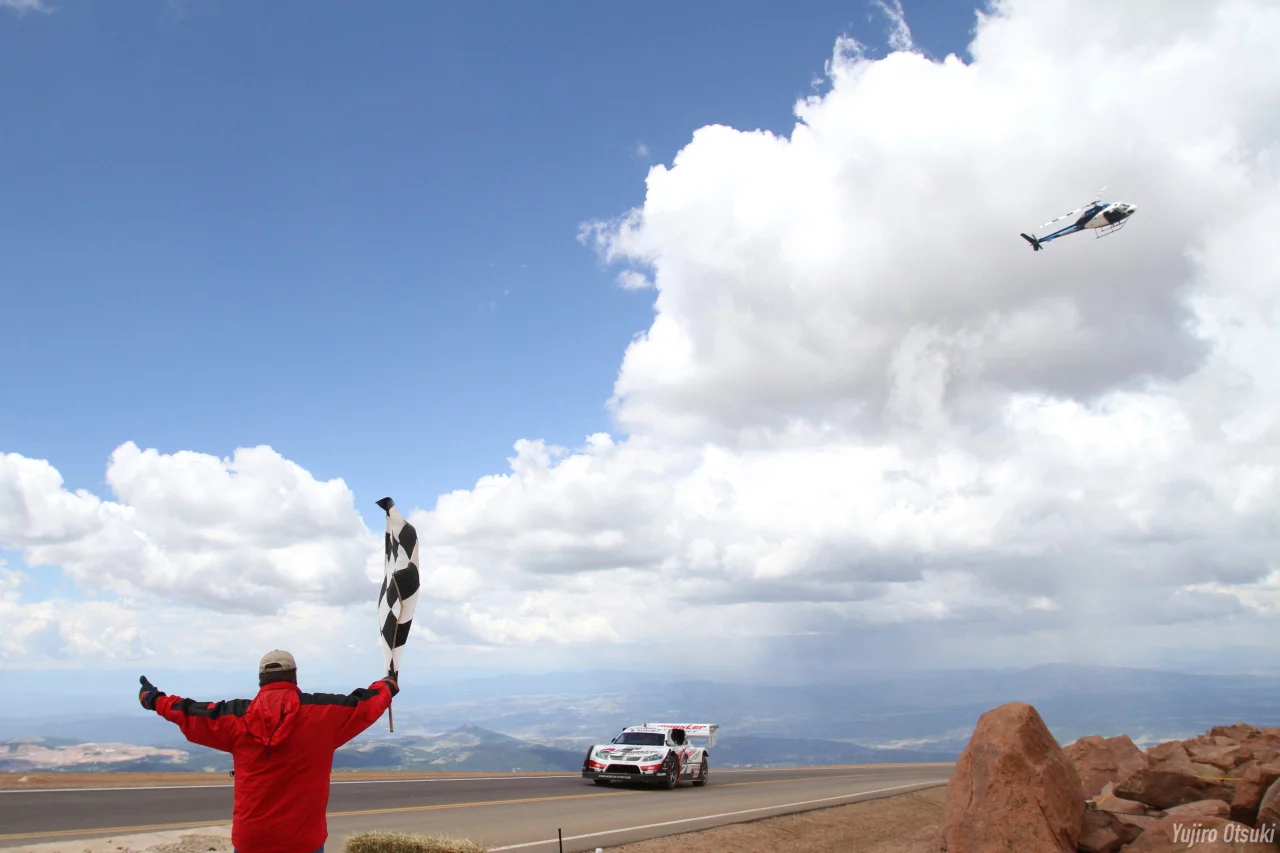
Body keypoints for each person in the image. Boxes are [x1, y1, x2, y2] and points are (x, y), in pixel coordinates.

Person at [138, 650, 398, 853]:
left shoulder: (235, 718)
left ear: (261, 680)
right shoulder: (323, 715)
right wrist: (388, 685)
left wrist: (153, 699)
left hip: (252, 840)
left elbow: (189, 711)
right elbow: (365, 704)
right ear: (295, 677)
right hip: (303, 841)